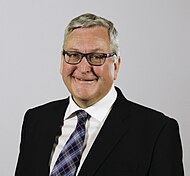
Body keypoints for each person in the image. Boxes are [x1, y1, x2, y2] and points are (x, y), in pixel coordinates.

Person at [15, 13, 184, 176]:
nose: (83, 68)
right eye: (73, 55)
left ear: (116, 66)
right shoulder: (36, 120)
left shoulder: (157, 132)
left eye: (96, 57)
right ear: (62, 61)